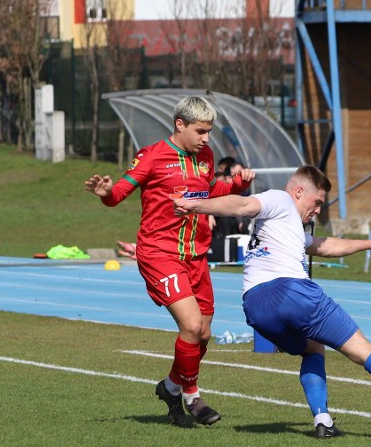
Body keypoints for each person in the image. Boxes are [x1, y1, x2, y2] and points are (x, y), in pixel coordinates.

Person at [172, 165, 371, 438]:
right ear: (299, 191)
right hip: (293, 293)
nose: (318, 209)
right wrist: (195, 205)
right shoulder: (279, 199)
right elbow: (241, 203)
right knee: (363, 350)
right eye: (316, 201)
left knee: (313, 347)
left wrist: (368, 243)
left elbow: (323, 245)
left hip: (256, 308)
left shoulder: (283, 227)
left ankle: (323, 420)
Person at [84, 96, 255, 428]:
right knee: (191, 326)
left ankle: (171, 387)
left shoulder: (204, 155)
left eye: (209, 131)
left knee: (203, 335)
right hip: (160, 254)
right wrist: (106, 192)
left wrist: (237, 185)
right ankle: (192, 396)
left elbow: (211, 190)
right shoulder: (152, 156)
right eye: (201, 131)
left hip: (196, 256)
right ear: (180, 124)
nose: (207, 139)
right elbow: (118, 194)